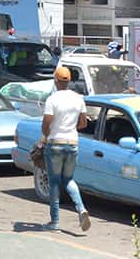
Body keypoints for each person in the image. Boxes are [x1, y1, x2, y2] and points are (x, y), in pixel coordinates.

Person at [39, 66, 91, 232]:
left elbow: (46, 122)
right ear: (69, 81)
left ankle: (54, 222)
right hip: (73, 143)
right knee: (68, 179)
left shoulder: (52, 99)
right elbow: (84, 123)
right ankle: (81, 209)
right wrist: (72, 127)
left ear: (55, 80)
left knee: (54, 181)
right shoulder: (78, 99)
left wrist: (46, 136)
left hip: (55, 143)